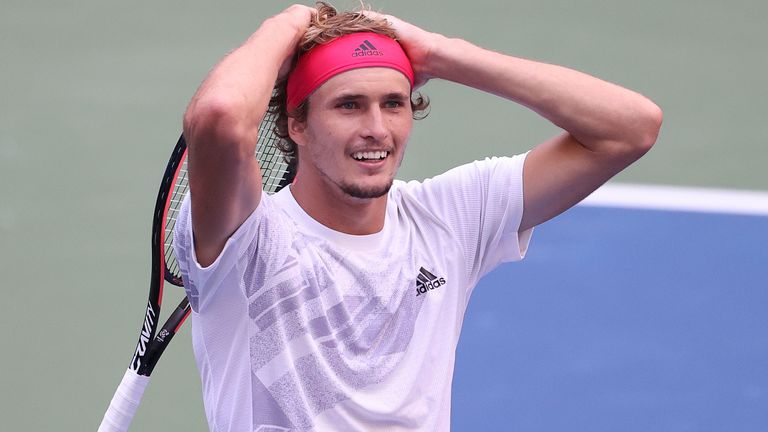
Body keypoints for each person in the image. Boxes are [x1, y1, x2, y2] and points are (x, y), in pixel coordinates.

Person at [174, 2, 662, 430]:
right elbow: (218, 115)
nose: (376, 129)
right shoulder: (247, 237)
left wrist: (440, 53)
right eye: (349, 106)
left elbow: (629, 128)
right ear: (296, 123)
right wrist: (288, 23)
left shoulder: (450, 218)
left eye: (394, 104)